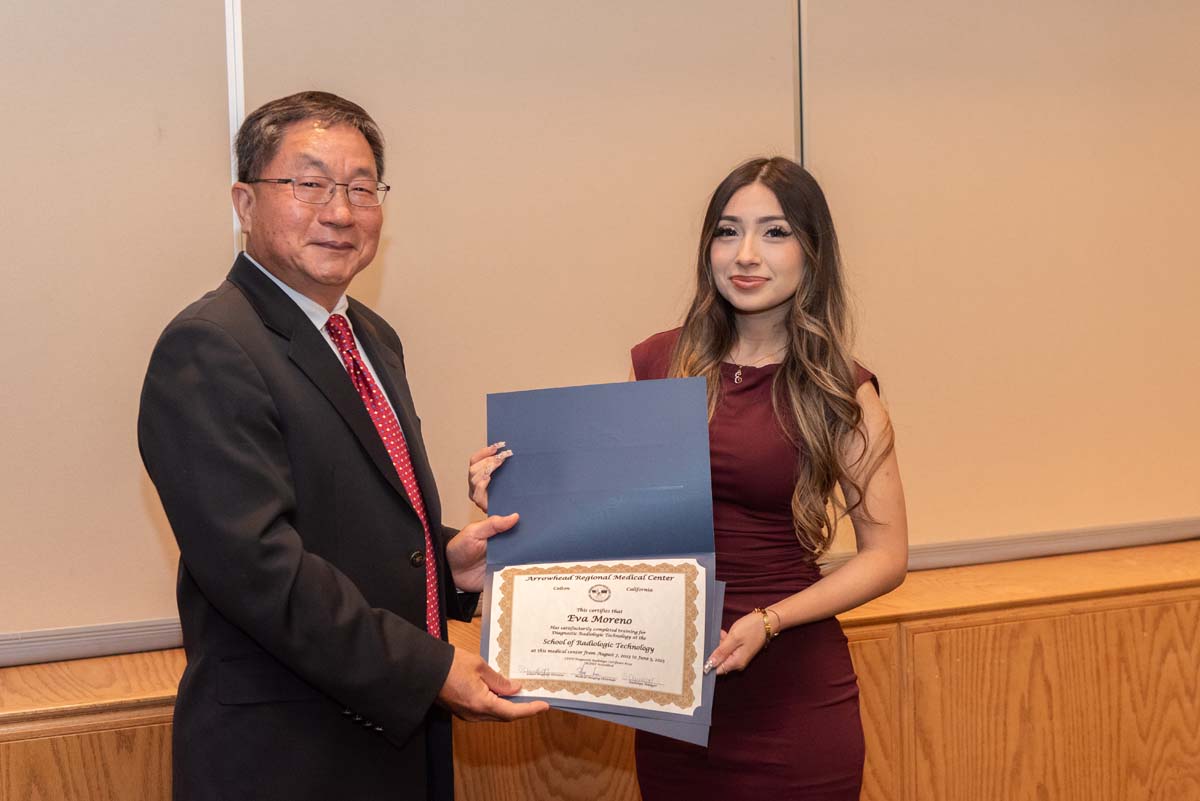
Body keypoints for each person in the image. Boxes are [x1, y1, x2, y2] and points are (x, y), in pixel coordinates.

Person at [138, 91, 545, 801]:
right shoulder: (210, 346)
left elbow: (347, 523)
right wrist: (430, 668)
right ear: (245, 202)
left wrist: (448, 563)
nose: (340, 211)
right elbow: (263, 570)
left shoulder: (371, 337)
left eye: (362, 188)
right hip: (286, 759)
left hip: (391, 745)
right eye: (309, 184)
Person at [472, 156, 907, 799]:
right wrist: (514, 503)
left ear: (813, 252)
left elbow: (887, 557)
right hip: (671, 693)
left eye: (775, 232)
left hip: (793, 693)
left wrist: (769, 621)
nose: (746, 254)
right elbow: (610, 524)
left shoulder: (839, 388)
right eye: (727, 231)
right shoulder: (659, 364)